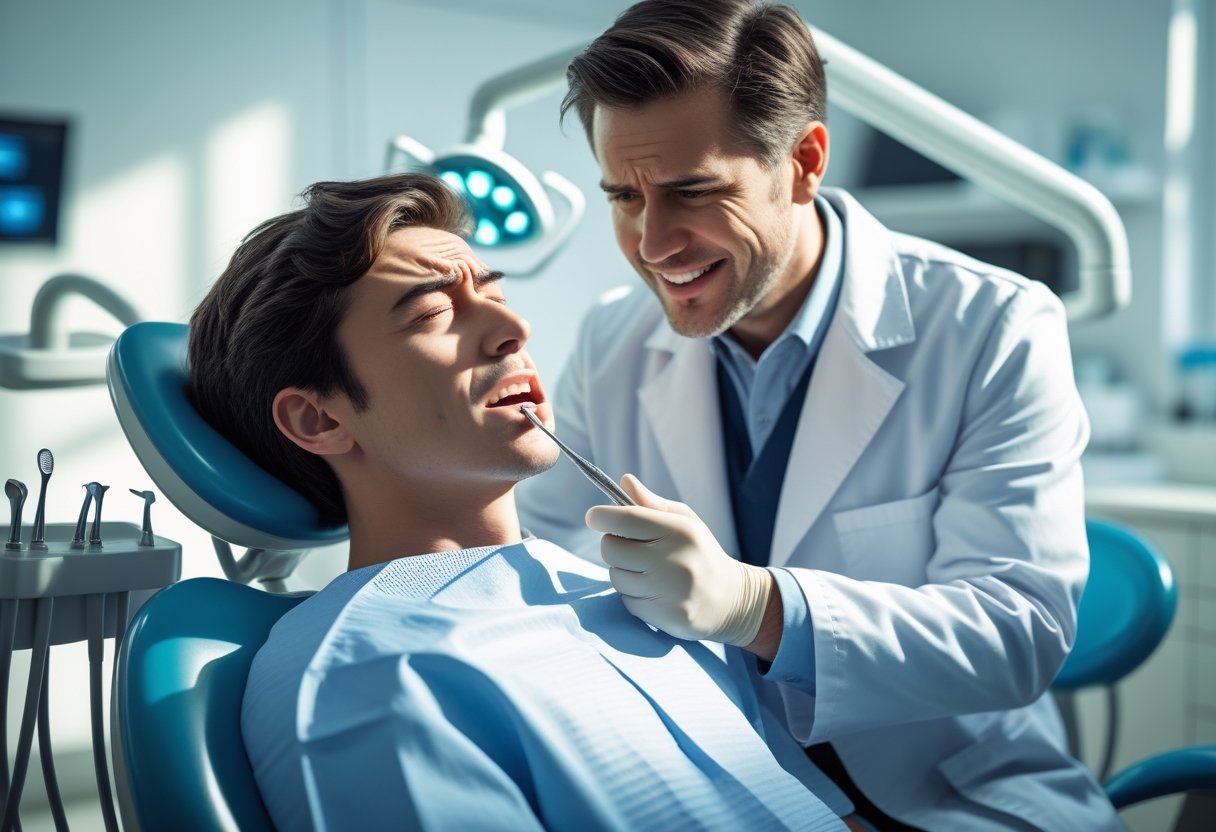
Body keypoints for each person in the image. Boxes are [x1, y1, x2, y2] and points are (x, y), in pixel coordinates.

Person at [515, 1, 1122, 830]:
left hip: (945, 794)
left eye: (693, 191)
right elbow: (553, 567)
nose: (654, 243)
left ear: (803, 162)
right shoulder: (612, 339)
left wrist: (753, 606)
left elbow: (1017, 633)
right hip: (713, 784)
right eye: (625, 196)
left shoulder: (994, 327)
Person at [187, 173, 854, 831]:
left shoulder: (652, 599)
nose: (512, 327)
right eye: (434, 313)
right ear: (318, 420)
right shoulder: (363, 679)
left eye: (495, 293)